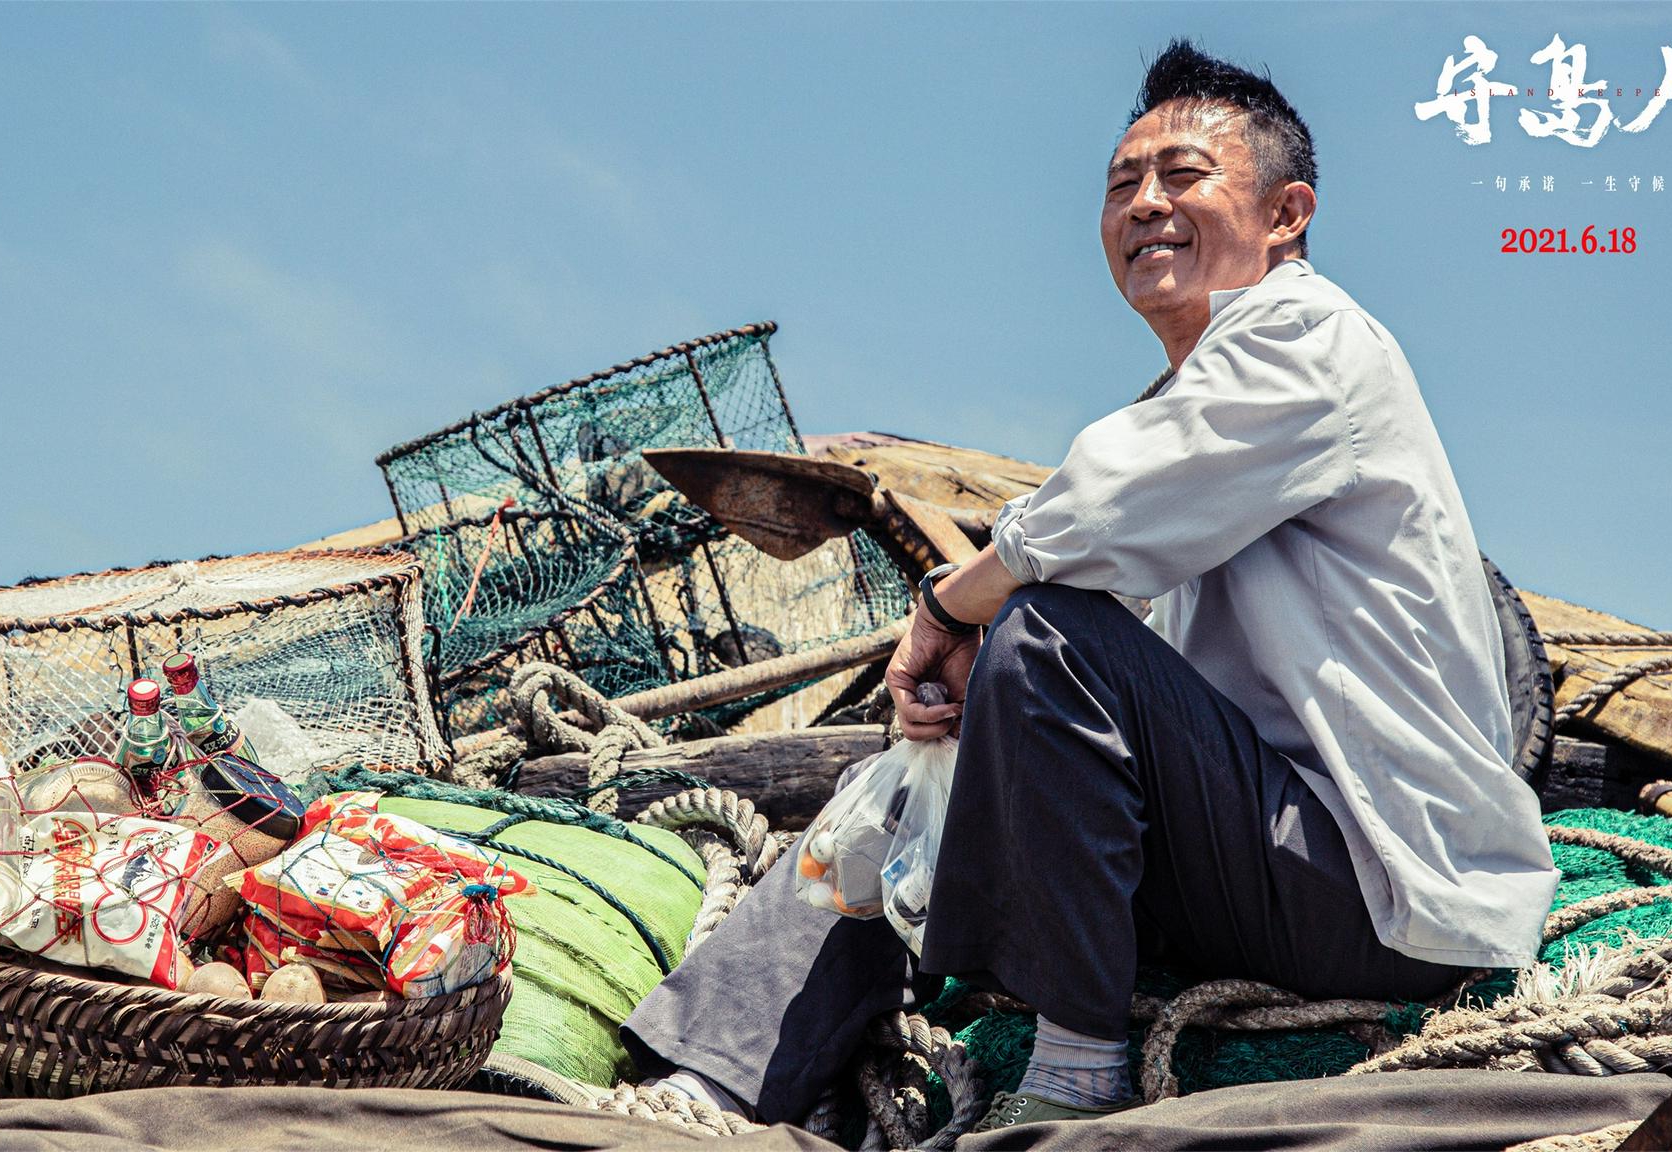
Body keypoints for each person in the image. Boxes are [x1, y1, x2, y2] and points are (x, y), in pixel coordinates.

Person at [622, 39, 1557, 1133]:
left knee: (1048, 630)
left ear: (1285, 211)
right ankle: (703, 1090)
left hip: (1376, 893)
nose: (1144, 205)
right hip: (1255, 860)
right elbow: (1113, 590)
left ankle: (1073, 1063)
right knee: (901, 781)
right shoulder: (1191, 388)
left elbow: (1089, 522)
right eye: (1122, 185)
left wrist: (939, 611)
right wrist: (975, 703)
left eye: (1182, 176)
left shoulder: (1309, 339)